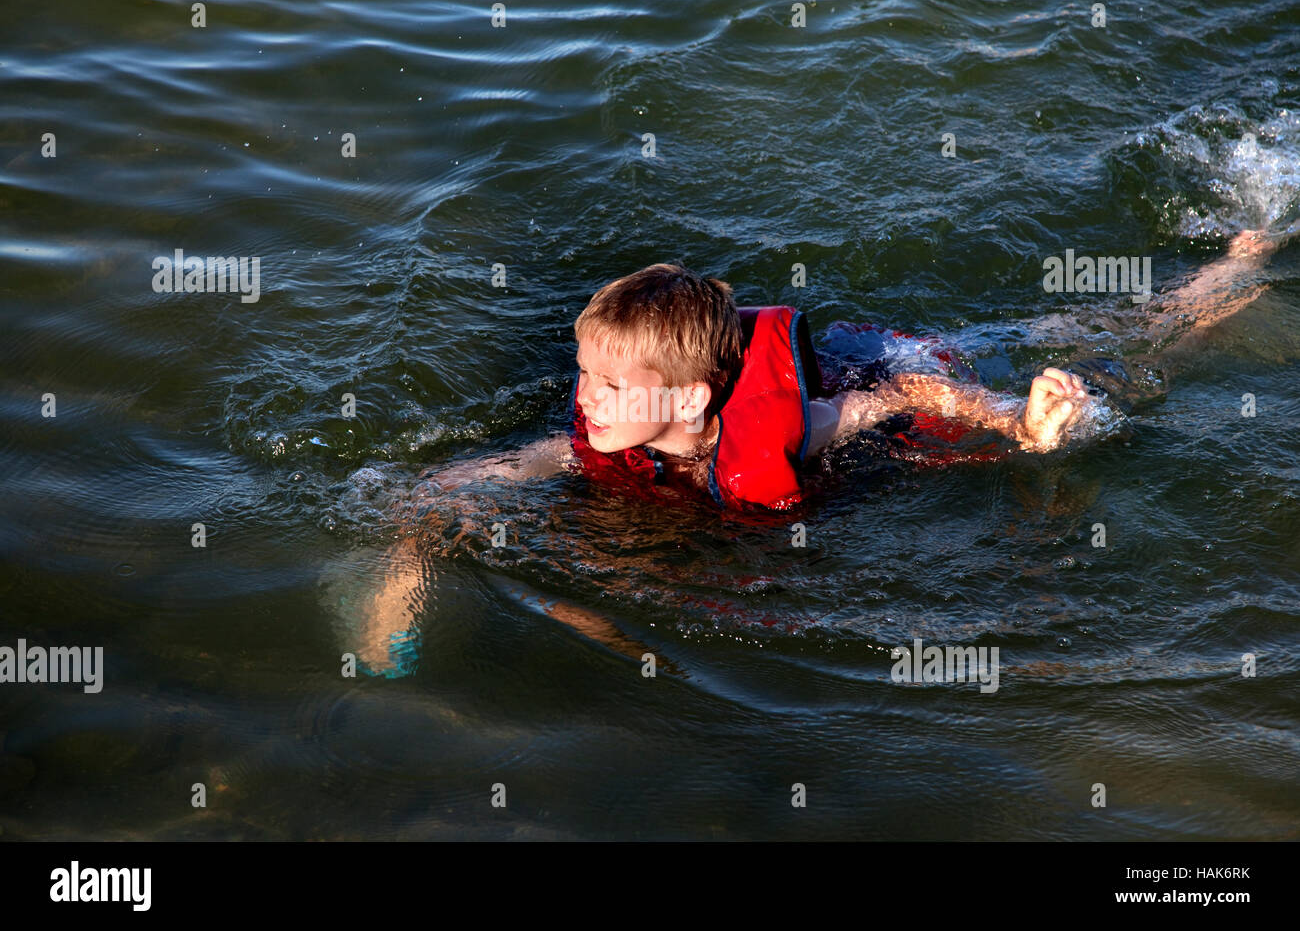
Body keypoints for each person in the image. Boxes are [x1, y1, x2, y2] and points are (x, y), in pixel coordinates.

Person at [347, 227, 1286, 673]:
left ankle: (1228, 277)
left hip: (899, 381)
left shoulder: (791, 431)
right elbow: (457, 486)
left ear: (686, 398)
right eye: (584, 373)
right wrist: (408, 563)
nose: (583, 396)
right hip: (835, 396)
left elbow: (903, 394)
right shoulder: (593, 436)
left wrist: (1013, 420)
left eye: (606, 384)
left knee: (1121, 346)